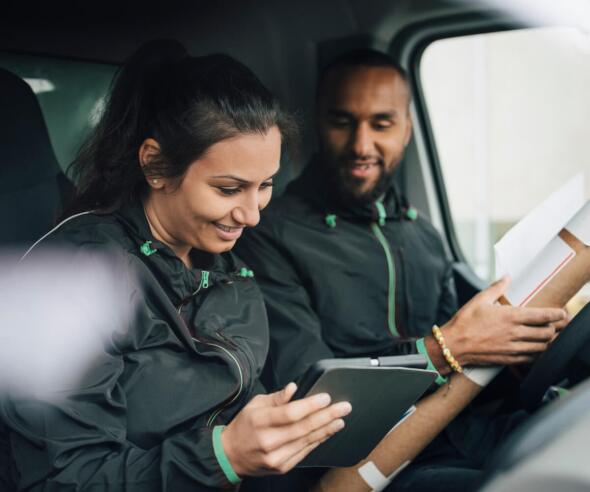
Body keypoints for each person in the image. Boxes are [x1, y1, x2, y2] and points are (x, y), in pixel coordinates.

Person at [0, 40, 353, 491]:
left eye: (265, 185)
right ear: (156, 165)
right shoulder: (72, 282)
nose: (253, 215)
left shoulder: (222, 260)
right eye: (229, 189)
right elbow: (68, 479)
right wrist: (224, 455)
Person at [234, 49, 567, 491]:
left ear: (407, 129)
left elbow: (470, 358)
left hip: (468, 430)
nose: (361, 145)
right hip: (373, 464)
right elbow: (311, 392)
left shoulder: (422, 234)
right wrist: (445, 347)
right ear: (318, 123)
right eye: (342, 121)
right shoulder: (270, 234)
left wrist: (520, 350)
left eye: (382, 123)